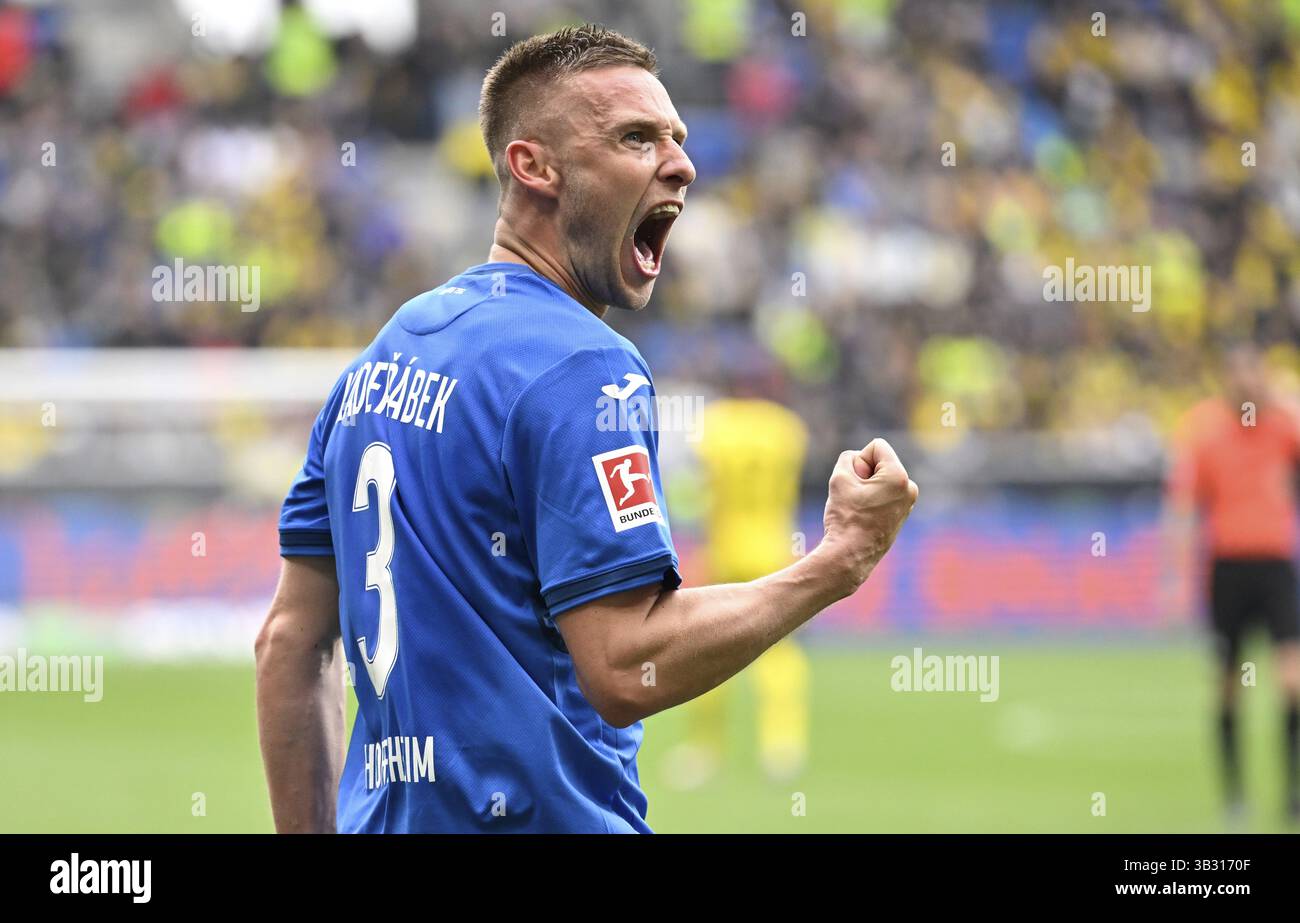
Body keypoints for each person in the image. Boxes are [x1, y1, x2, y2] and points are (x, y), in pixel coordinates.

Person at [255, 24, 917, 833]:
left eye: (676, 137)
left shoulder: (381, 360)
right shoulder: (579, 367)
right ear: (534, 166)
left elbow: (291, 643)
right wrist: (837, 563)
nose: (682, 162)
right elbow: (626, 661)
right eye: (635, 138)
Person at [1165, 342, 1300, 824]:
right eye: (1239, 375)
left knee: (1292, 681)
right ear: (1228, 380)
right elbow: (1182, 507)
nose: (1248, 384)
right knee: (1227, 687)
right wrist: (1174, 574)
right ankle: (1235, 793)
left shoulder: (1284, 425)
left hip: (1276, 568)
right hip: (1228, 570)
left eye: (1255, 375)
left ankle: (1290, 792)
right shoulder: (1206, 431)